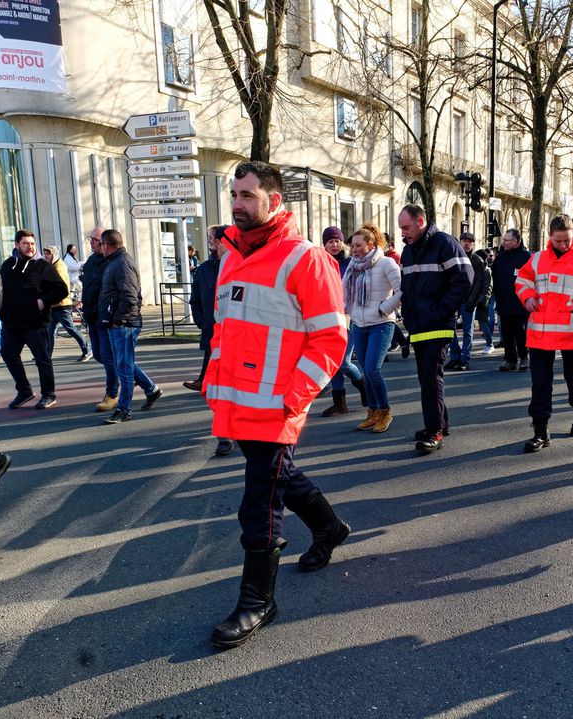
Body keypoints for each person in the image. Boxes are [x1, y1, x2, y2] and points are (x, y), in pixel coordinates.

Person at [206, 161, 352, 649]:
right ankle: (330, 529)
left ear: (274, 199)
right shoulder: (231, 255)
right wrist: (214, 383)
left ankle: (257, 602)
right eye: (234, 195)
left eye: (247, 195)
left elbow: (330, 339)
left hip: (278, 406)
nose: (237, 204)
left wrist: (295, 397)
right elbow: (227, 330)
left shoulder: (305, 258)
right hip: (238, 403)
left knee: (260, 499)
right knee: (281, 479)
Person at [516, 214, 573, 452]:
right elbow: (522, 280)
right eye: (559, 241)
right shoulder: (537, 260)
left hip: (571, 330)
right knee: (540, 383)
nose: (563, 245)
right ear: (550, 237)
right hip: (541, 331)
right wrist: (527, 297)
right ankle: (540, 430)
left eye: (567, 240)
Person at [398, 204, 473, 453]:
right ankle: (440, 423)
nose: (402, 233)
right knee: (426, 378)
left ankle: (434, 432)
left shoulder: (444, 243)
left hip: (438, 325)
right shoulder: (408, 251)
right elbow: (406, 289)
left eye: (406, 227)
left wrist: (442, 310)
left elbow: (464, 279)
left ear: (420, 222)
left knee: (431, 379)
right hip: (418, 325)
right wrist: (408, 314)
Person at [100, 229, 163, 424]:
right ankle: (151, 389)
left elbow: (129, 296)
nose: (99, 247)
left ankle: (124, 409)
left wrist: (119, 320)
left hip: (124, 324)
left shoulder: (123, 263)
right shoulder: (115, 262)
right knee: (123, 363)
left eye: (100, 244)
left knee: (124, 367)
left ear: (107, 245)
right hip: (116, 323)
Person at [343, 223, 402, 433]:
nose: (354, 249)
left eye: (359, 245)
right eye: (352, 245)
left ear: (371, 244)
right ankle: (373, 412)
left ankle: (385, 412)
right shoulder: (352, 265)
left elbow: (402, 291)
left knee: (372, 370)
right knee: (366, 373)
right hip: (358, 324)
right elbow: (344, 292)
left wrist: (383, 308)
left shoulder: (386, 264)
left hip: (381, 323)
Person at [0, 229, 68, 410]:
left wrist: (43, 301)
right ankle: (24, 391)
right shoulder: (7, 265)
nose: (30, 247)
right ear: (17, 245)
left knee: (42, 359)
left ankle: (49, 394)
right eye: (25, 244)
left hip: (35, 323)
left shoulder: (42, 266)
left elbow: (62, 290)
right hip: (11, 323)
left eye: (32, 244)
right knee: (8, 354)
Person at [186, 225, 233, 456]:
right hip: (213, 337)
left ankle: (241, 430)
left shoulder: (242, 266)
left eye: (215, 239)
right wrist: (202, 322)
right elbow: (195, 300)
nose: (214, 243)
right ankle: (224, 436)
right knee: (217, 389)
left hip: (240, 340)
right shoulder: (204, 270)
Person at [320, 225, 367, 416]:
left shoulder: (351, 263)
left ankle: (364, 386)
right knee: (333, 362)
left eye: (337, 240)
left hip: (349, 318)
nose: (334, 244)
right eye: (330, 241)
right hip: (327, 318)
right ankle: (340, 403)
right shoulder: (321, 263)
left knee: (343, 362)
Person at [81, 227, 118, 411]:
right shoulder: (91, 260)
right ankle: (137, 379)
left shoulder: (110, 261)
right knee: (98, 354)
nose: (91, 242)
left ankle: (112, 393)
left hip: (104, 317)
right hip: (91, 316)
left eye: (94, 239)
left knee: (109, 357)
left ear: (104, 242)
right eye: (91, 239)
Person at [491, 228, 531, 371]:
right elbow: (495, 276)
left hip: (520, 304)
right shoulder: (501, 257)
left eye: (507, 240)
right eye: (504, 240)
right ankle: (510, 360)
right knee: (506, 334)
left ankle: (524, 357)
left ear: (515, 241)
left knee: (520, 333)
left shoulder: (526, 257)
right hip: (503, 302)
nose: (504, 243)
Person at [447, 232, 487, 371]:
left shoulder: (477, 261)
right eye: (464, 240)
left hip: (468, 301)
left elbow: (478, 283)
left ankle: (464, 359)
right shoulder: (454, 258)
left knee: (467, 331)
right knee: (449, 330)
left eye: (470, 241)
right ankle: (454, 357)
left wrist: (472, 302)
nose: (467, 243)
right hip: (454, 300)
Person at [43, 244, 91, 362]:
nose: (45, 256)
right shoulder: (51, 266)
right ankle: (47, 355)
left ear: (53, 255)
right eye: (44, 253)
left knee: (70, 329)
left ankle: (87, 349)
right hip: (54, 305)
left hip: (62, 304)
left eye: (48, 253)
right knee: (50, 330)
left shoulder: (59, 267)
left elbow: (59, 286)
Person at [474, 249, 495, 354]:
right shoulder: (477, 269)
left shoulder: (486, 270)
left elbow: (488, 288)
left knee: (483, 323)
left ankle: (489, 344)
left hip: (481, 301)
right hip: (472, 299)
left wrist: (481, 300)